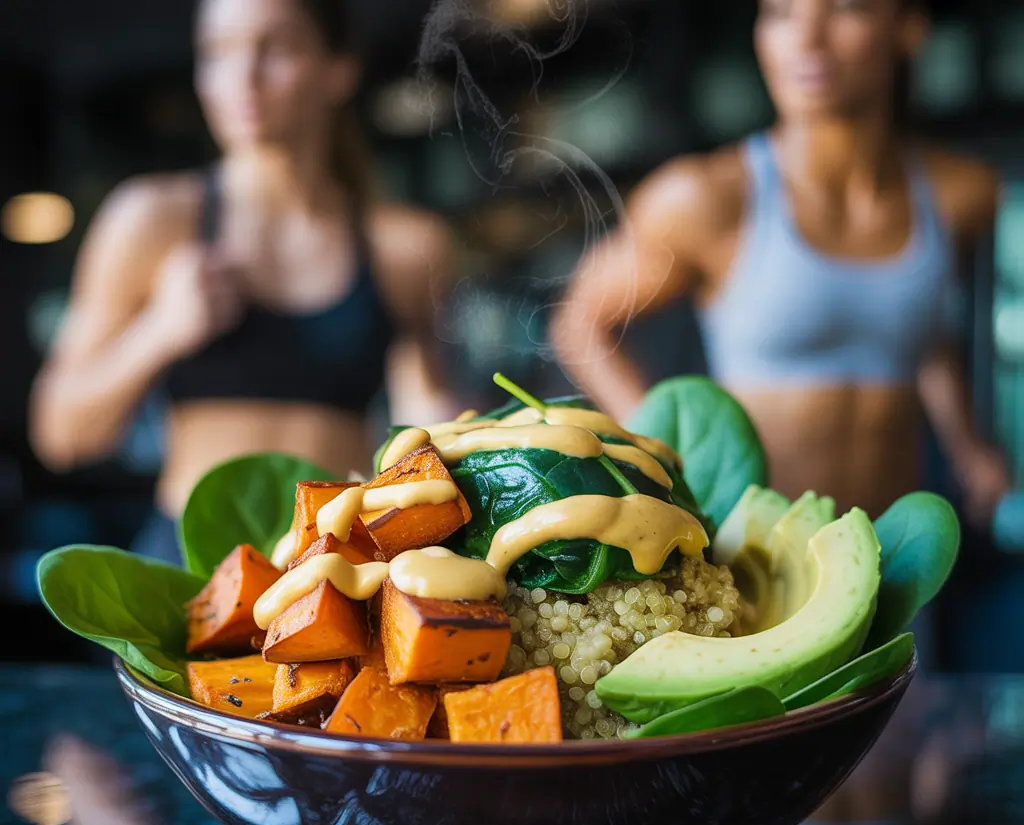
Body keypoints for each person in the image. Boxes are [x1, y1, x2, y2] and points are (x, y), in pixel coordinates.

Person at [29, 0, 458, 563]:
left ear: (338, 69)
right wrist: (162, 329)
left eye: (275, 48)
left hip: (338, 566)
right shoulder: (153, 219)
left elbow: (428, 408)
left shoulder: (406, 246)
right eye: (217, 53)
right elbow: (60, 434)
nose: (242, 78)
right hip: (191, 567)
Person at [551, 0, 1010, 525]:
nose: (806, 40)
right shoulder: (706, 198)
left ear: (909, 29)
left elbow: (922, 331)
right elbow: (579, 324)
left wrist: (968, 446)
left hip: (896, 559)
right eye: (781, 13)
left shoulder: (960, 197)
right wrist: (667, 456)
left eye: (846, 9)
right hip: (756, 565)